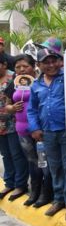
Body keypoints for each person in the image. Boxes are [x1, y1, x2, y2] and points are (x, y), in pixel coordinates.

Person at [27, 48, 66, 221]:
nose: (51, 65)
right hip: (47, 133)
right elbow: (31, 110)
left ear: (59, 61)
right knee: (55, 167)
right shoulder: (36, 85)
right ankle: (58, 199)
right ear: (39, 65)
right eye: (46, 62)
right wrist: (35, 128)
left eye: (54, 61)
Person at [5, 54, 53, 208]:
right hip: (22, 130)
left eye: (25, 66)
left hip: (40, 131)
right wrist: (11, 108)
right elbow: (7, 104)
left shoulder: (41, 82)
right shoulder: (14, 83)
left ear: (34, 66)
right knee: (32, 162)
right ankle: (35, 191)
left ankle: (47, 193)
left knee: (45, 162)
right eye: (18, 67)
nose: (21, 69)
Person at [0, 53, 28, 202]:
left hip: (14, 123)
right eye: (19, 67)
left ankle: (20, 184)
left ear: (4, 64)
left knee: (17, 154)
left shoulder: (15, 78)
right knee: (6, 155)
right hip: (0, 125)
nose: (21, 69)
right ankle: (9, 183)